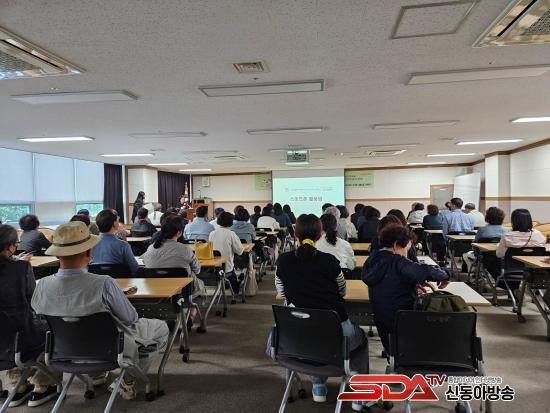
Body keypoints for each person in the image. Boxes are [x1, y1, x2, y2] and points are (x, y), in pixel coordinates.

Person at [31, 221, 169, 401]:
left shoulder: (41, 285)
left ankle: (97, 375)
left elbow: (42, 319)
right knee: (160, 328)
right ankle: (128, 379)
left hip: (62, 352)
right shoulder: (104, 283)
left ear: (57, 254)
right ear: (89, 253)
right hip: (109, 351)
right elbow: (130, 318)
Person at [273, 214, 367, 408]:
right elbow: (342, 291)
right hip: (335, 331)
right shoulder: (329, 261)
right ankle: (360, 396)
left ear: (295, 234)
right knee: (360, 340)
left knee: (313, 340)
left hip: (295, 337)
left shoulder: (283, 260)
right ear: (319, 234)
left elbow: (282, 293)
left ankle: (318, 387)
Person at [0, 225, 62, 407]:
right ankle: (44, 383)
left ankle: (15, 385)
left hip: (4, 340)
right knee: (57, 328)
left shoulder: (18, 266)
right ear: (10, 246)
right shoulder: (21, 268)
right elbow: (34, 302)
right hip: (21, 339)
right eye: (16, 244)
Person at [362, 224, 448, 353]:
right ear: (396, 245)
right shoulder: (398, 262)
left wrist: (413, 283)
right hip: (405, 327)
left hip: (384, 325)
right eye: (406, 249)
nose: (406, 253)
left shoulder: (372, 259)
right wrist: (446, 274)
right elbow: (427, 271)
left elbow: (390, 281)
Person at [141, 215, 205, 328]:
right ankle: (190, 317)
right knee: (200, 289)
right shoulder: (185, 249)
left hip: (156, 292)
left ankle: (170, 319)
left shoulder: (151, 248)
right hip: (184, 292)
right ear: (179, 232)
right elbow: (197, 270)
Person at [90, 209, 139, 275]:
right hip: (119, 280)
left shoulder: (90, 244)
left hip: (95, 279)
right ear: (114, 223)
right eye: (117, 220)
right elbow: (134, 267)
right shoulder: (123, 245)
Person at [462, 207, 508, 273]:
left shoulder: (482, 229)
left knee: (466, 255)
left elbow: (475, 243)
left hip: (484, 256)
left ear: (487, 217)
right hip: (501, 257)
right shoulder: (506, 230)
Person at [209, 212, 245, 292]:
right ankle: (235, 286)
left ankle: (227, 283)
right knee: (232, 272)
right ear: (231, 222)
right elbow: (240, 251)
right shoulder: (231, 234)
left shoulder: (212, 233)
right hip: (226, 267)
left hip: (213, 266)